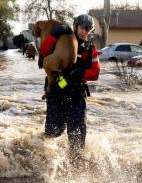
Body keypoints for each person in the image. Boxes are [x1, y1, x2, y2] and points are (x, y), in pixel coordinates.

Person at [39, 14, 101, 164]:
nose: (84, 32)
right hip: (58, 86)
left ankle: (76, 165)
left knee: (77, 135)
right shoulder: (61, 40)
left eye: (87, 29)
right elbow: (44, 50)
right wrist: (55, 33)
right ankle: (43, 156)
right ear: (75, 26)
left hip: (77, 94)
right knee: (53, 130)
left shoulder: (90, 49)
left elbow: (96, 72)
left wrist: (82, 73)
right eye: (82, 28)